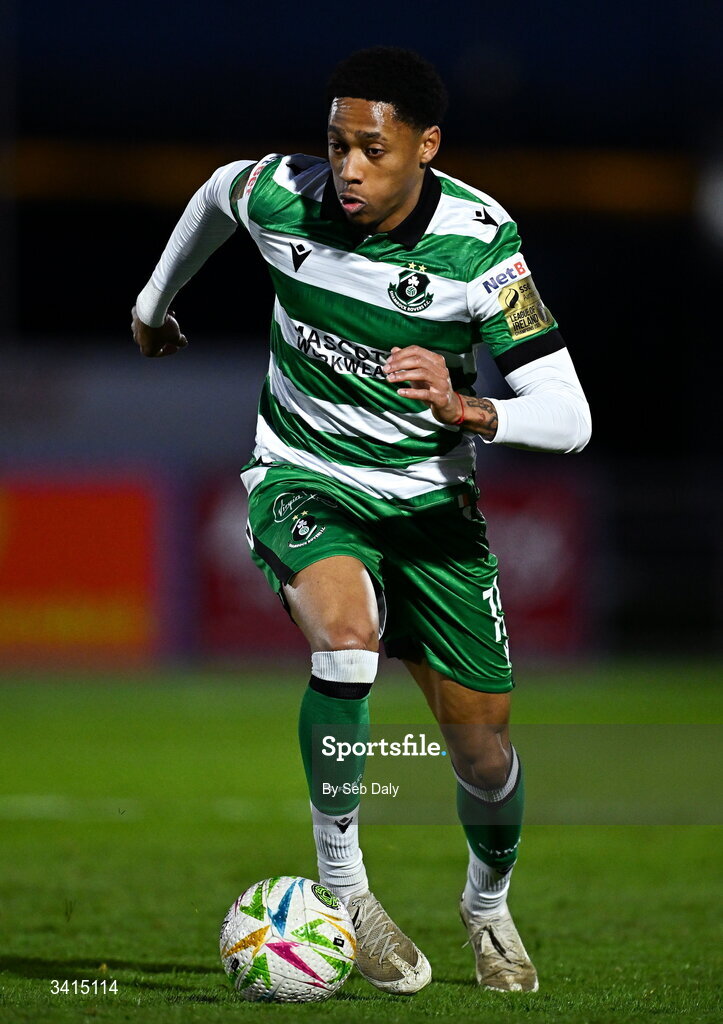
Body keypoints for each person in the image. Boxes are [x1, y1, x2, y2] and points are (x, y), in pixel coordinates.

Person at [131, 46, 591, 995]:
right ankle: (344, 892)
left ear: (424, 147)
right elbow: (220, 193)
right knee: (344, 641)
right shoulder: (286, 194)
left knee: (483, 748)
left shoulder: (479, 243)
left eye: (370, 150)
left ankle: (486, 905)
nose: (345, 167)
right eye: (336, 144)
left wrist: (472, 410)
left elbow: (570, 414)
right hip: (303, 474)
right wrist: (152, 303)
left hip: (429, 506)